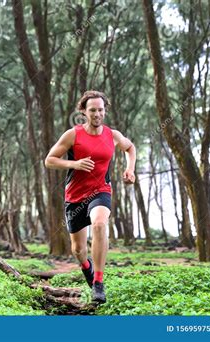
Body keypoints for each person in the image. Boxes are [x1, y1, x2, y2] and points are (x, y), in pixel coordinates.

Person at [44, 90, 136, 303]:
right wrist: (73, 164)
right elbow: (49, 160)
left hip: (100, 192)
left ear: (105, 111)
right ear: (84, 112)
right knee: (78, 250)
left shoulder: (112, 135)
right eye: (92, 110)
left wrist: (130, 170)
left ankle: (98, 283)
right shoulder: (72, 135)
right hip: (75, 197)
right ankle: (87, 267)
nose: (97, 114)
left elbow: (130, 148)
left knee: (99, 224)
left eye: (101, 110)